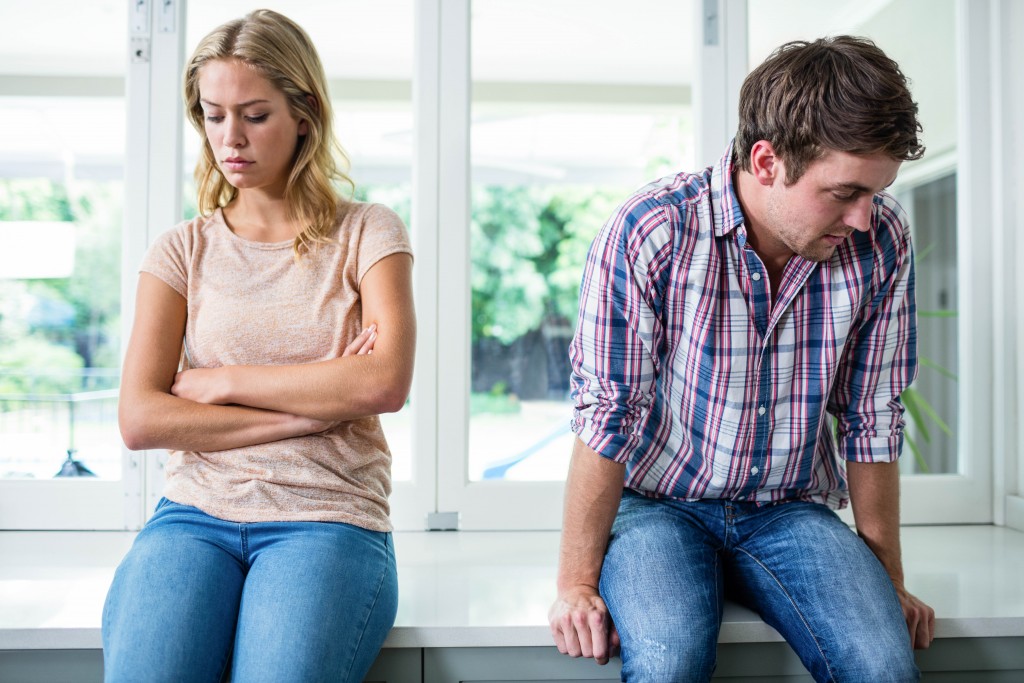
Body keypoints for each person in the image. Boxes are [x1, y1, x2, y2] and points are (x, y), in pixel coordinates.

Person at [548, 36, 935, 683]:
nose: (864, 217)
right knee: (670, 661)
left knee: (882, 663)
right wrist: (574, 583)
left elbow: (873, 414)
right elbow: (607, 414)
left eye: (876, 191)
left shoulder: (883, 240)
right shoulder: (653, 231)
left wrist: (884, 580)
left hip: (789, 507)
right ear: (765, 161)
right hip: (658, 504)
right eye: (844, 192)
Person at [102, 9, 415, 682]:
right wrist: (308, 408)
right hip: (192, 517)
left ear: (304, 112)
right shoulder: (181, 251)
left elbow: (383, 383)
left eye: (253, 114)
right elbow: (141, 418)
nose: (229, 138)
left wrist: (222, 380)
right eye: (213, 115)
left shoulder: (369, 233)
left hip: (328, 519)